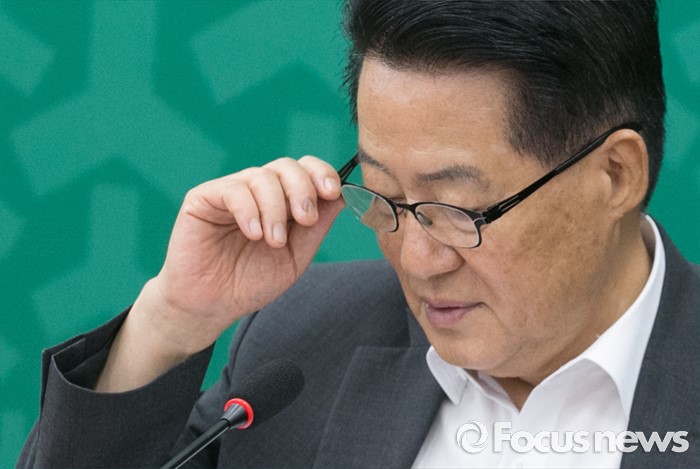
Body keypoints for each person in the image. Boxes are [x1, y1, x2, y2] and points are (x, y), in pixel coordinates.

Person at [17, 0, 699, 468]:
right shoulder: (304, 341)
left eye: (458, 210)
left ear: (614, 175)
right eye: (385, 196)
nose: (418, 260)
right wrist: (171, 322)